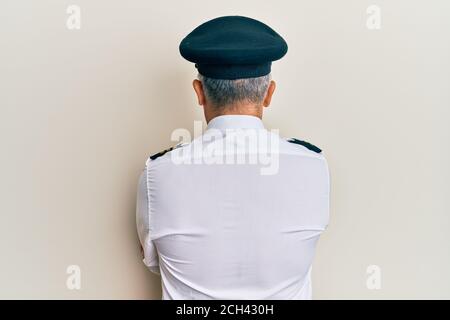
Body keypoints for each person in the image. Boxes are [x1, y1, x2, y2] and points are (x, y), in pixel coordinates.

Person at [136, 16, 330, 299]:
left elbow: (153, 260)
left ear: (199, 92)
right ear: (269, 93)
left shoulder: (157, 174)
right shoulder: (314, 167)